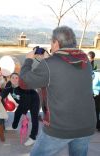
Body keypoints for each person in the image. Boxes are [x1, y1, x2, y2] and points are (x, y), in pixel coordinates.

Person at [20, 26, 96, 156]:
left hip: (60, 128)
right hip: (86, 125)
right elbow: (65, 71)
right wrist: (48, 60)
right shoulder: (85, 59)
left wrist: (28, 59)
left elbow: (24, 82)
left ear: (56, 42)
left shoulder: (49, 64)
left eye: (51, 42)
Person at [1, 73, 40, 146]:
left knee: (34, 118)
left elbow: (26, 102)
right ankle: (14, 126)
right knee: (17, 113)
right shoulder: (9, 84)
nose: (14, 79)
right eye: (13, 77)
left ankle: (33, 137)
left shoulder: (23, 87)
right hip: (23, 101)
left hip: (33, 99)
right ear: (10, 78)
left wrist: (24, 114)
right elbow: (5, 91)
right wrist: (1, 97)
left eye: (16, 78)